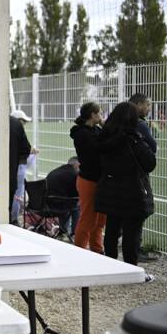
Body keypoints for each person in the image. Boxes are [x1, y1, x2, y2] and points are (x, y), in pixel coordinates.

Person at [95, 101, 156, 282]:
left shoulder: (103, 138)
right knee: (132, 232)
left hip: (110, 189)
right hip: (132, 191)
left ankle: (111, 266)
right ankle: (130, 269)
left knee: (112, 228)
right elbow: (150, 163)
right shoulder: (132, 139)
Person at [70, 101, 105, 253]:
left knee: (99, 220)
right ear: (93, 115)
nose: (102, 116)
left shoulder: (95, 129)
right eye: (100, 113)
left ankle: (97, 250)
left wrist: (104, 127)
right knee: (88, 219)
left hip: (99, 180)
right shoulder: (82, 133)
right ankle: (80, 251)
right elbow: (99, 148)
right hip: (88, 180)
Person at [45, 157, 80, 238]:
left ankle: (63, 230)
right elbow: (75, 195)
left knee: (64, 201)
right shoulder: (73, 174)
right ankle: (75, 233)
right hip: (58, 207)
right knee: (77, 205)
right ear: (77, 165)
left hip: (44, 205)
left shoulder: (55, 171)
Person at [9, 110, 33, 225]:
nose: (24, 124)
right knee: (17, 193)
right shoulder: (16, 126)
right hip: (17, 166)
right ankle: (13, 219)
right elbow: (26, 149)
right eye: (23, 121)